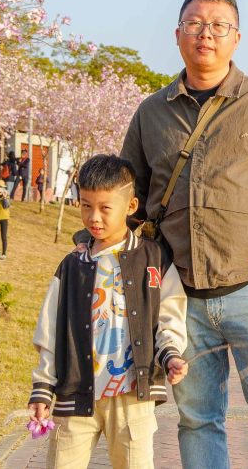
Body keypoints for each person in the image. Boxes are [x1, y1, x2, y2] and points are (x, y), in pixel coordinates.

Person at [118, 0, 248, 468]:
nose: (205, 33)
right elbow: (132, 193)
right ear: (178, 34)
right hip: (182, 295)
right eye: (194, 23)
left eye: (218, 25)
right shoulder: (152, 112)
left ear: (236, 38)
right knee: (198, 420)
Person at [27, 154, 188, 469]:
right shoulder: (72, 265)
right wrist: (42, 389)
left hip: (132, 395)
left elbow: (169, 313)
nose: (94, 217)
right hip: (75, 394)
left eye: (104, 208)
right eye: (86, 205)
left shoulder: (153, 259)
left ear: (130, 207)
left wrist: (170, 354)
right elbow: (50, 331)